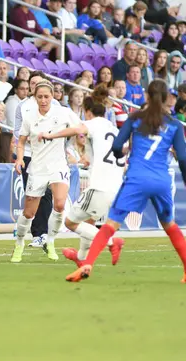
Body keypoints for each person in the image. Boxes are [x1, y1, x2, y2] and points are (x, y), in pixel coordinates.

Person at [67, 80, 186, 283]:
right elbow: (182, 157)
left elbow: (117, 145)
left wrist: (122, 152)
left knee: (110, 224)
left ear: (146, 96)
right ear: (167, 99)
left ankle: (87, 264)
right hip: (161, 181)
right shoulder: (174, 125)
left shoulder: (135, 119)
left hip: (137, 179)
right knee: (170, 226)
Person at [37, 91, 126, 269]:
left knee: (70, 222)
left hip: (100, 186)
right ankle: (81, 258)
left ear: (88, 113)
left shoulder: (94, 124)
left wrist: (50, 135)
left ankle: (111, 243)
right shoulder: (115, 130)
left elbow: (78, 129)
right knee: (89, 221)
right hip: (117, 188)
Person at [11, 80, 82, 263]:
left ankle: (50, 242)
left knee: (59, 204)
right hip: (38, 167)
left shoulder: (63, 112)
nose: (43, 100)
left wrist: (62, 137)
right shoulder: (29, 117)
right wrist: (19, 159)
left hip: (58, 165)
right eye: (40, 97)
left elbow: (79, 128)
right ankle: (19, 243)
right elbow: (20, 142)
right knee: (29, 212)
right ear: (35, 97)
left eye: (46, 97)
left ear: (53, 97)